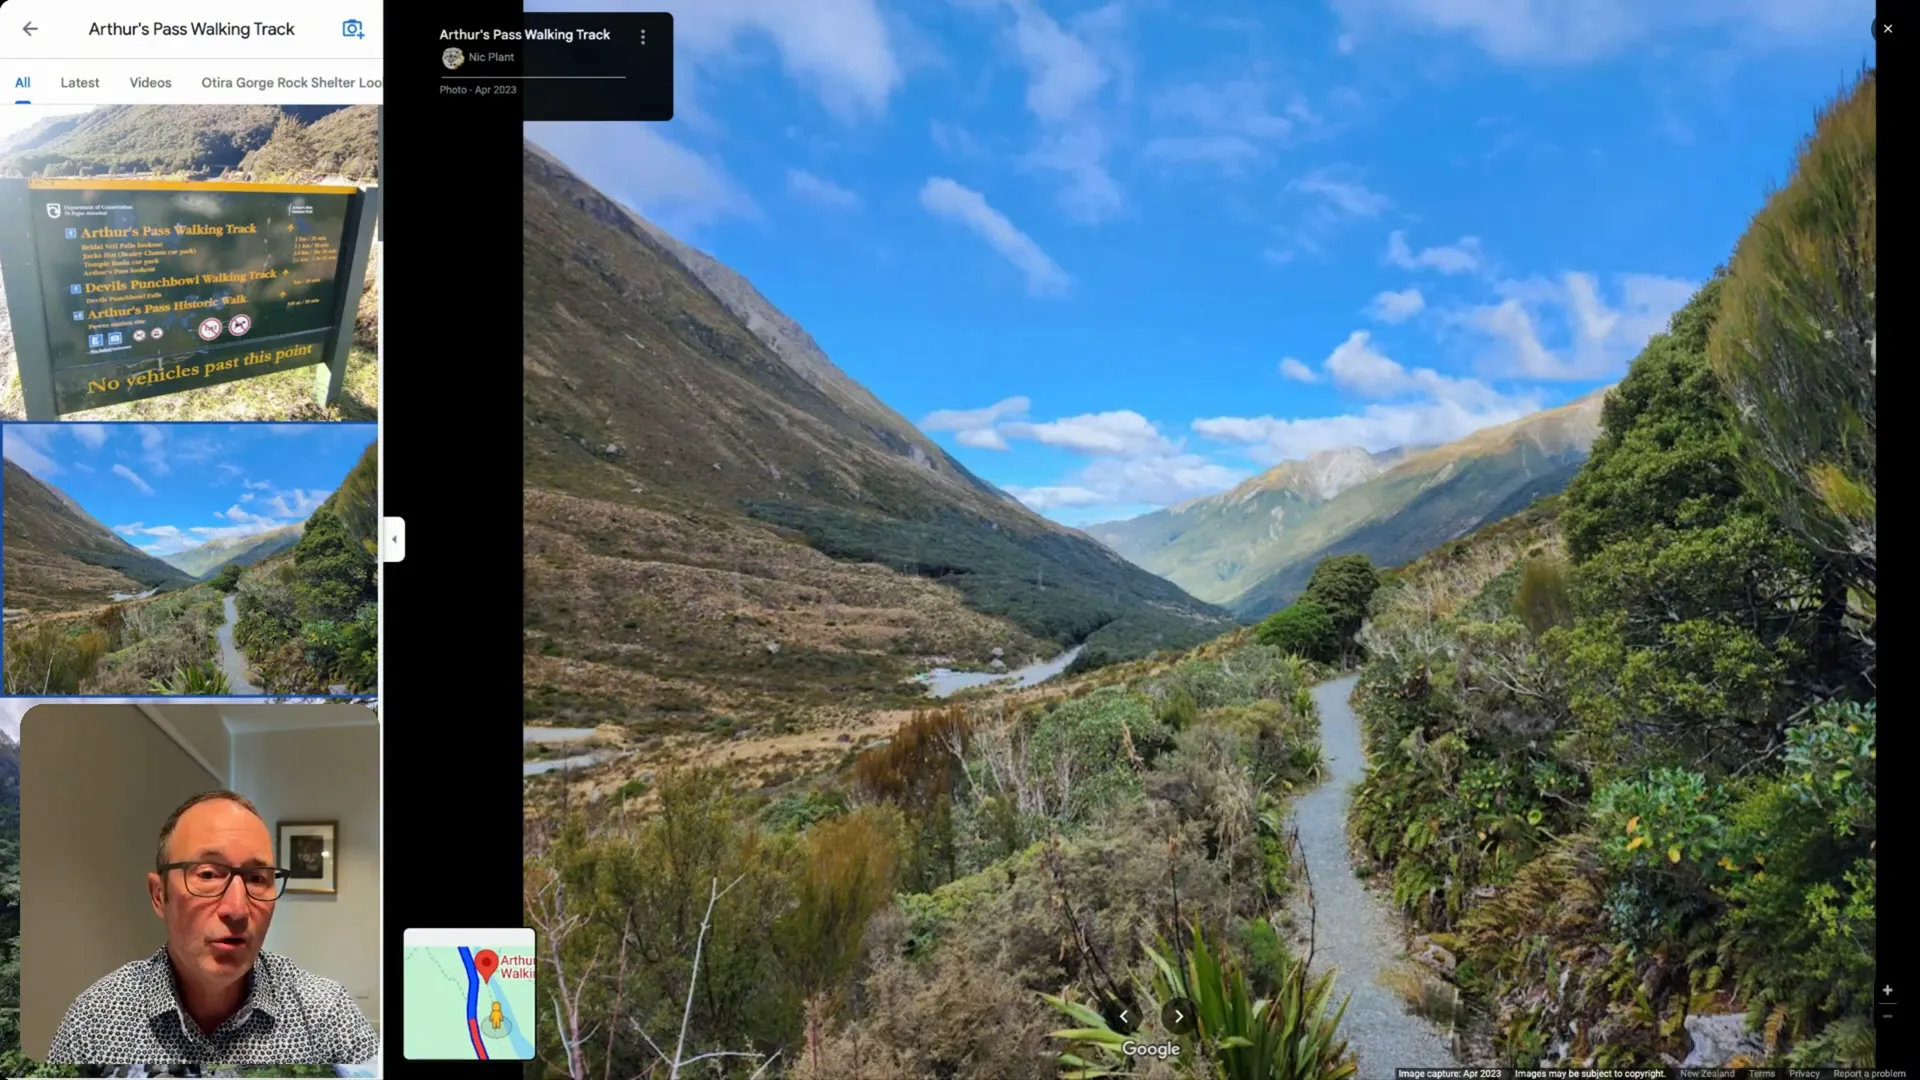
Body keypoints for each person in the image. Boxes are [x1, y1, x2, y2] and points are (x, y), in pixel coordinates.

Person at [46, 790, 379, 1065]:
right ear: (160, 895)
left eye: (257, 878)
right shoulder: (95, 1021)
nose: (237, 909)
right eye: (207, 875)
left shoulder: (326, 1015)